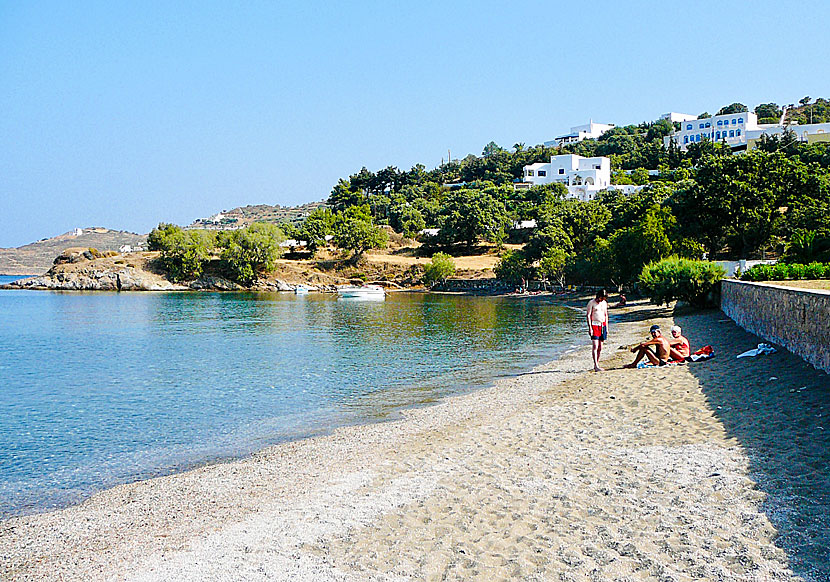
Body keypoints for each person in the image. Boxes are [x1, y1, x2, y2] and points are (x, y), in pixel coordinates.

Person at [586, 288, 609, 372]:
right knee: (595, 345)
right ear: (598, 296)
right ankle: (595, 365)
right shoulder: (591, 303)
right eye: (601, 298)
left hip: (602, 325)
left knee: (600, 347)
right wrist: (590, 328)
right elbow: (588, 315)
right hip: (594, 325)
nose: (601, 300)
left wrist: (606, 327)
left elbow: (606, 315)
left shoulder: (604, 303)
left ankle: (597, 363)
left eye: (603, 299)